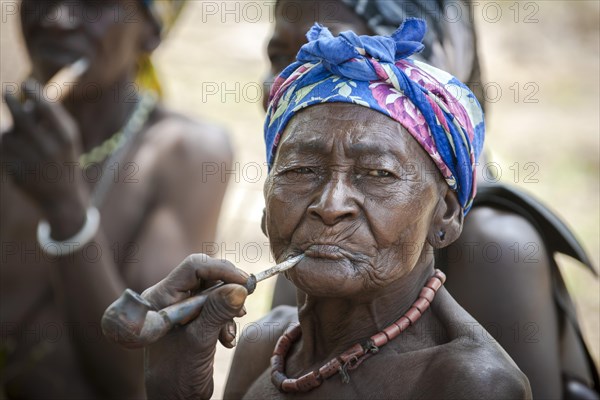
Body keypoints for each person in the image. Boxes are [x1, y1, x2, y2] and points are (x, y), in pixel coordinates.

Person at [139, 19, 531, 399]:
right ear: (266, 203)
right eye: (300, 170)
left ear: (445, 214)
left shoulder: (471, 384)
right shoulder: (265, 344)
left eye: (378, 173)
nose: (330, 206)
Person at [264, 2, 600, 399]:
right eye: (280, 57)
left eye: (378, 174)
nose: (282, 80)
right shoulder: (303, 237)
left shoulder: (494, 246)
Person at [0, 1, 231, 398]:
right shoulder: (10, 149)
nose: (58, 18)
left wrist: (65, 210)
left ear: (151, 31)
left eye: (93, 3)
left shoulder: (185, 153)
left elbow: (140, 379)